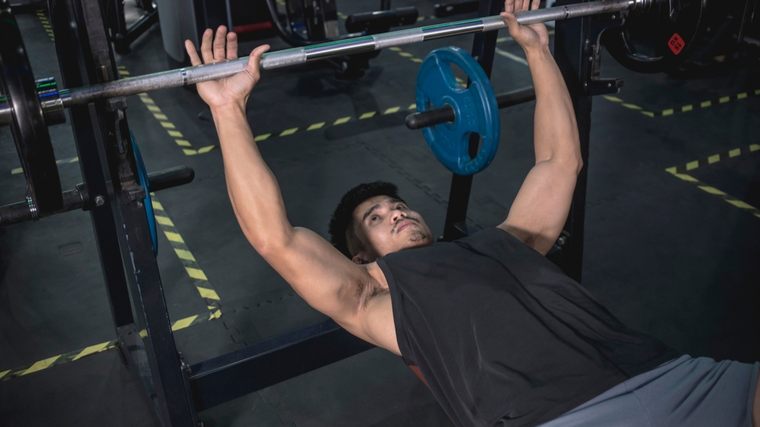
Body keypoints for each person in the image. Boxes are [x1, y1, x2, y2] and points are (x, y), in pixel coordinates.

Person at [184, 0, 760, 425]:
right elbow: (276, 240)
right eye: (378, 218)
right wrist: (229, 110)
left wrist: (535, 48)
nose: (398, 213)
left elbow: (561, 163)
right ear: (362, 257)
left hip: (674, 374)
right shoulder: (374, 298)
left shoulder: (511, 239)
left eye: (398, 205)